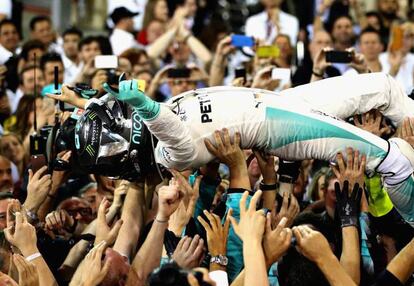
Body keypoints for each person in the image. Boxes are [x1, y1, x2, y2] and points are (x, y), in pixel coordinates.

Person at [49, 72, 414, 226]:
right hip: (283, 127)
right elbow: (166, 125)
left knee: (382, 87)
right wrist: (143, 103)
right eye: (120, 116)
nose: (121, 110)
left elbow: (119, 129)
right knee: (395, 160)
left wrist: (77, 101)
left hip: (276, 100)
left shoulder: (143, 137)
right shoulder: (171, 155)